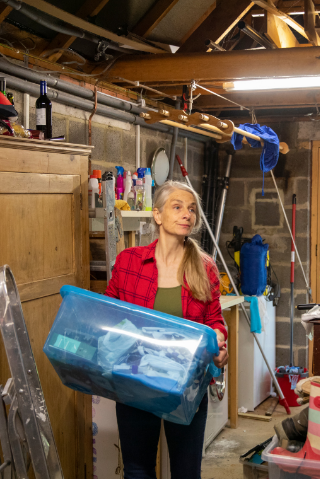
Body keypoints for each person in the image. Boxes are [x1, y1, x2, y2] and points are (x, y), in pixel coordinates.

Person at [105, 180, 228, 479]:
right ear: (158, 215)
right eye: (177, 207)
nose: (186, 214)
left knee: (186, 472)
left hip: (186, 385)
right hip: (136, 381)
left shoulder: (205, 267)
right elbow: (108, 315)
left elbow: (215, 320)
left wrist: (221, 343)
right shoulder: (129, 262)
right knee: (137, 469)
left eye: (191, 209)